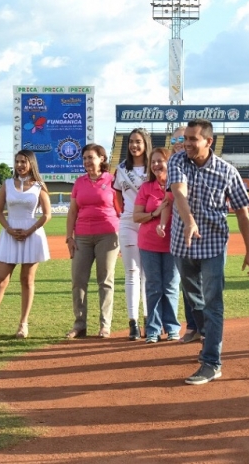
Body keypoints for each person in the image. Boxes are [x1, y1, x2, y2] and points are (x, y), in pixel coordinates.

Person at [168, 119, 249, 385]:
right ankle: (205, 334)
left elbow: (242, 211)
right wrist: (189, 221)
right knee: (193, 297)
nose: (187, 143)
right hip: (182, 242)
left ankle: (211, 362)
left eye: (193, 139)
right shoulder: (178, 161)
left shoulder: (228, 171)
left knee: (213, 302)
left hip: (214, 244)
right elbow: (179, 192)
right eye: (185, 138)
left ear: (209, 141)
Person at [0, 150, 51, 340]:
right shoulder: (7, 184)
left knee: (27, 280)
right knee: (0, 281)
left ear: (31, 164)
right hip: (10, 234)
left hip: (32, 234)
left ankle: (23, 324)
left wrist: (30, 230)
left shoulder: (39, 185)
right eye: (17, 161)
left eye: (24, 162)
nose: (20, 165)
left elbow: (47, 214)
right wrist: (9, 229)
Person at [65, 144, 120, 339]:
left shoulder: (113, 180)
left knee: (105, 281)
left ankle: (105, 325)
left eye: (91, 157)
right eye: (85, 158)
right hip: (82, 237)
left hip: (108, 234)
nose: (87, 161)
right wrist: (69, 237)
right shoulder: (79, 182)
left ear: (102, 159)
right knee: (78, 281)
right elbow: (73, 211)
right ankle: (79, 325)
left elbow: (120, 210)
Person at [133, 147, 181, 343]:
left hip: (173, 242)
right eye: (153, 162)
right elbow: (136, 216)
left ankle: (171, 328)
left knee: (170, 286)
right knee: (153, 286)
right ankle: (153, 329)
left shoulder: (178, 185)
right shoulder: (146, 188)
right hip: (149, 243)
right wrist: (155, 213)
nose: (156, 165)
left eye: (160, 161)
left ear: (169, 162)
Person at [113, 127, 152, 340]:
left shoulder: (153, 168)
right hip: (128, 223)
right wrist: (127, 214)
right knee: (131, 272)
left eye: (138, 141)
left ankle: (148, 320)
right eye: (131, 142)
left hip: (148, 222)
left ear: (145, 144)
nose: (134, 145)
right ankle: (133, 322)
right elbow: (118, 198)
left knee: (147, 274)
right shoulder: (121, 170)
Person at [170, 125, 200, 344]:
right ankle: (193, 327)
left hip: (203, 232)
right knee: (187, 283)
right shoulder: (172, 165)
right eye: (175, 142)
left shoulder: (200, 163)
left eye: (183, 139)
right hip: (179, 233)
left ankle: (206, 327)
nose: (180, 144)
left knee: (204, 283)